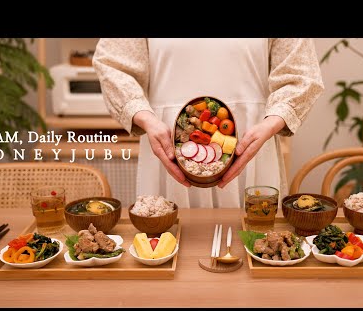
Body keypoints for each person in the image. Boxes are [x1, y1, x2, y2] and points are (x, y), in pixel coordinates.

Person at [93, 38, 324, 208]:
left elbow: (300, 75)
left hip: (251, 140)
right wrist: (144, 117)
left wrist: (271, 123)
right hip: (167, 140)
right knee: (166, 247)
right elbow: (113, 65)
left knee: (256, 246)